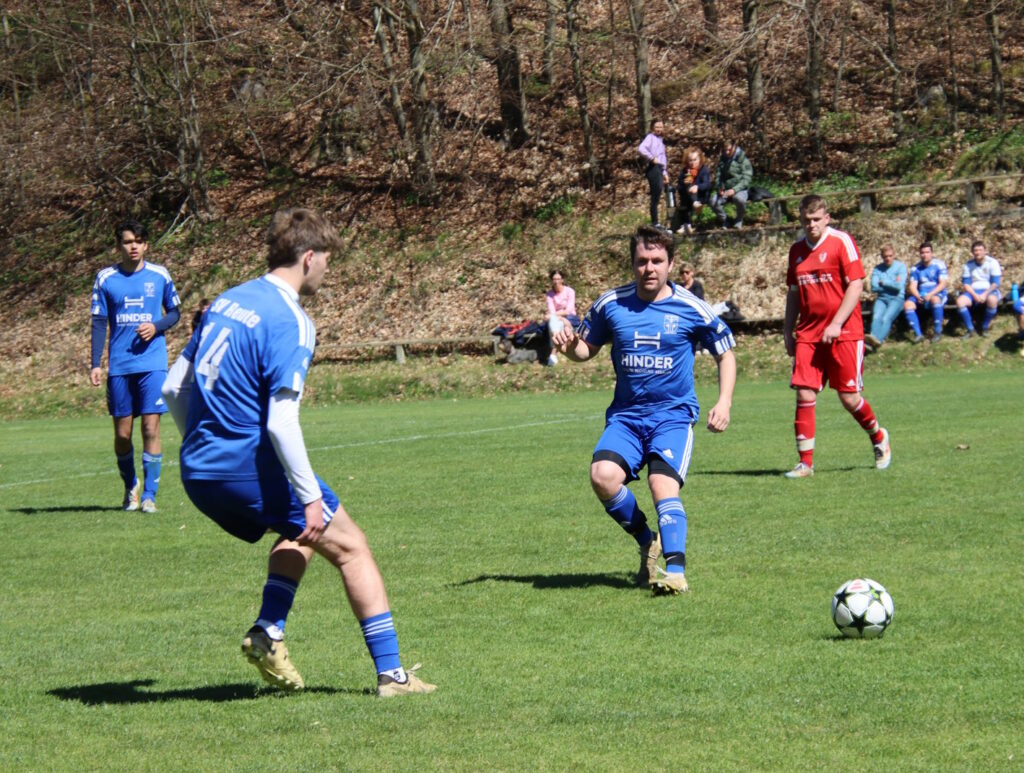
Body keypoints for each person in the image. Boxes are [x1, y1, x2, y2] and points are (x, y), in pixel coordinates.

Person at [161, 208, 436, 698]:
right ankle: (393, 676)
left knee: (301, 531)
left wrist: (200, 443)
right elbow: (281, 421)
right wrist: (309, 496)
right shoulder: (292, 320)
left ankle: (269, 630)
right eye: (327, 260)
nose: (328, 270)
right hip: (246, 466)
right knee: (352, 546)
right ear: (309, 257)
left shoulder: (227, 300)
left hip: (197, 469)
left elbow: (172, 387)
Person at [550, 224, 736, 594]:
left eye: (657, 260)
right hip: (626, 418)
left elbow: (725, 353)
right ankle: (646, 539)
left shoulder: (690, 307)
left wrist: (724, 402)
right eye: (641, 261)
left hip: (672, 416)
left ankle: (676, 572)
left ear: (670, 263)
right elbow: (586, 350)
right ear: (632, 263)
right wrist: (569, 347)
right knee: (602, 476)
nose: (649, 268)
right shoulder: (611, 304)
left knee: (660, 483)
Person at [783, 195, 891, 479]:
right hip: (808, 333)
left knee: (849, 398)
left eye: (816, 219)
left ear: (827, 218)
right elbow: (793, 293)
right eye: (806, 220)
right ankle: (805, 464)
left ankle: (879, 437)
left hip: (844, 332)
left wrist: (836, 323)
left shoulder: (842, 242)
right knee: (805, 392)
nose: (811, 225)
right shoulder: (796, 251)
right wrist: (787, 330)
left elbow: (856, 285)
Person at [90, 218, 181, 514]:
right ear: (119, 245)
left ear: (146, 245)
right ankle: (131, 486)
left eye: (138, 241)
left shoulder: (159, 275)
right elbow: (99, 321)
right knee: (122, 435)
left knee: (151, 428)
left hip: (152, 363)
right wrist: (95, 363)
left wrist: (156, 326)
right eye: (128, 241)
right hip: (120, 365)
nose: (134, 246)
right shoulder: (106, 278)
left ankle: (149, 496)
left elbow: (175, 313)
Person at [903, 242, 948, 344]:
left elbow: (943, 284)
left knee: (935, 300)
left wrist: (930, 294)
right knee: (907, 304)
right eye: (922, 253)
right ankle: (918, 335)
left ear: (932, 253)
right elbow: (912, 286)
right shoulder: (915, 268)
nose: (925, 255)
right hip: (921, 293)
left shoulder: (939, 265)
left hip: (935, 292)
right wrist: (917, 296)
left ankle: (937, 332)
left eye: (927, 252)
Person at [955, 240, 1002, 338]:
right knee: (960, 302)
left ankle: (985, 327)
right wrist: (974, 295)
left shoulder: (992, 263)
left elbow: (995, 283)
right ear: (972, 252)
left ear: (985, 251)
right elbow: (966, 284)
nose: (978, 252)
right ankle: (970, 329)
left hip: (989, 290)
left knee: (992, 300)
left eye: (980, 250)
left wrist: (984, 294)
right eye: (975, 250)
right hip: (973, 291)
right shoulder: (968, 265)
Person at [865, 245, 907, 348]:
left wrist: (883, 282)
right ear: (882, 257)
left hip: (897, 298)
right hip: (882, 298)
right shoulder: (878, 269)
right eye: (885, 256)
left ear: (894, 255)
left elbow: (898, 287)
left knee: (886, 318)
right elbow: (874, 287)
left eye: (890, 256)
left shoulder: (901, 267)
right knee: (876, 317)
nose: (888, 258)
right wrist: (891, 284)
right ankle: (873, 341)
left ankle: (876, 341)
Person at [709, 139, 753, 229]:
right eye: (725, 150)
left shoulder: (743, 159)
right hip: (725, 190)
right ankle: (725, 220)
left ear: (735, 147)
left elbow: (747, 178)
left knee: (739, 199)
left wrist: (734, 190)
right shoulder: (723, 160)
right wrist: (720, 188)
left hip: (740, 189)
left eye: (729, 150)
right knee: (713, 201)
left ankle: (739, 219)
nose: (727, 152)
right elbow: (718, 176)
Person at [671, 146, 712, 234]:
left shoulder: (704, 170)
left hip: (701, 196)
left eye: (695, 160)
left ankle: (687, 223)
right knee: (687, 186)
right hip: (687, 197)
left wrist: (697, 187)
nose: (693, 163)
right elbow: (679, 188)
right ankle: (686, 225)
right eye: (690, 160)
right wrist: (684, 183)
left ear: (700, 159)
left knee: (691, 188)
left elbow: (707, 185)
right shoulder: (685, 171)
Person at [544, 269, 580, 366]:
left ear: (562, 280)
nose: (556, 281)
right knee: (554, 322)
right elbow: (551, 310)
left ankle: (553, 352)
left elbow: (569, 310)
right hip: (556, 319)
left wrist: (557, 315)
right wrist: (557, 316)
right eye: (554, 279)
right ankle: (555, 351)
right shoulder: (549, 295)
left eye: (558, 279)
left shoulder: (570, 291)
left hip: (570, 317)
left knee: (554, 321)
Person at [637, 118, 669, 226]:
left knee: (658, 194)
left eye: (661, 127)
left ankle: (658, 222)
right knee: (655, 195)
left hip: (659, 168)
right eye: (657, 127)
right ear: (652, 128)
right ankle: (655, 222)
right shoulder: (650, 137)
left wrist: (665, 173)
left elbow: (663, 158)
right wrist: (651, 158)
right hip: (653, 168)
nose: (659, 129)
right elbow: (641, 149)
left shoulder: (660, 140)